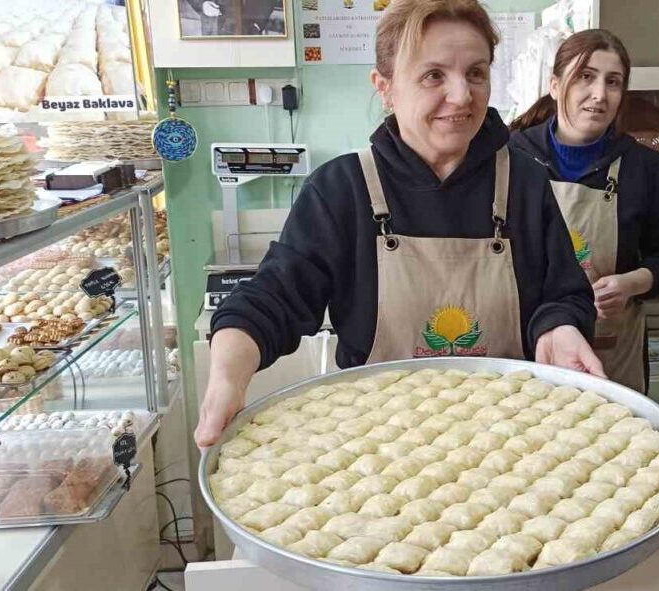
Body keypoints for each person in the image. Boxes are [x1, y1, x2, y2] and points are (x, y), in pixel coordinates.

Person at [195, 0, 600, 447]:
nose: (462, 96)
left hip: (505, 438)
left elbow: (562, 294)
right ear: (384, 87)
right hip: (378, 447)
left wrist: (560, 327)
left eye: (476, 73)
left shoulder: (523, 181)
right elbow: (273, 299)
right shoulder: (342, 188)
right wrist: (226, 378)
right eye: (433, 76)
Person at [508, 29, 659, 393]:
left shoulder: (645, 168)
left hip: (611, 351)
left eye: (613, 82)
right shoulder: (511, 158)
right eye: (585, 77)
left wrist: (631, 284)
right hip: (527, 347)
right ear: (556, 85)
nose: (599, 95)